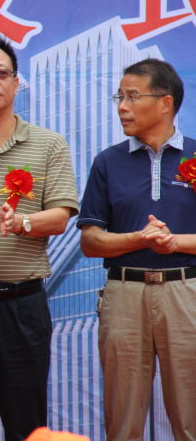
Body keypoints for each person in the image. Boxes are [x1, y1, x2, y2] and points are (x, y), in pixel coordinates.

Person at [0, 33, 79, 441]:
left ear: (16, 82)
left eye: (2, 73)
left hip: (21, 304)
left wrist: (23, 222)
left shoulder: (47, 144)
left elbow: (61, 216)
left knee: (27, 423)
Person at [78, 59, 196, 441]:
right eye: (119, 97)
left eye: (132, 97)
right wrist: (141, 239)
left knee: (191, 417)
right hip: (124, 292)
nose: (122, 107)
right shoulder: (108, 162)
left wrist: (173, 242)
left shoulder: (195, 156)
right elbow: (90, 241)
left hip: (187, 292)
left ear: (165, 103)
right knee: (123, 420)